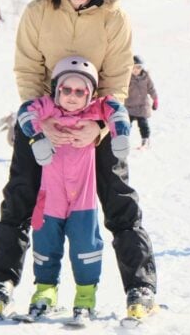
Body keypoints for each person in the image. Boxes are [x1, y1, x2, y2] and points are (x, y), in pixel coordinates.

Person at [0, 0, 158, 321]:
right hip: (44, 117)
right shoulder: (38, 11)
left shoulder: (115, 17)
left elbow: (116, 79)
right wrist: (41, 122)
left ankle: (140, 286)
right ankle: (1, 281)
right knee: (20, 196)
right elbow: (28, 70)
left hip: (94, 119)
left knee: (119, 200)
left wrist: (97, 126)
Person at [17, 56, 131, 319]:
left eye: (80, 91)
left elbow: (117, 110)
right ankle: (45, 290)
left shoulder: (95, 111)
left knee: (85, 245)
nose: (71, 96)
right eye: (66, 90)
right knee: (45, 242)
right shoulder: (47, 108)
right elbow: (26, 111)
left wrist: (120, 133)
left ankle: (85, 293)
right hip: (51, 197)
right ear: (56, 90)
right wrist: (37, 137)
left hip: (83, 198)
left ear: (89, 94)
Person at [124, 55, 158, 149]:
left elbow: (151, 89)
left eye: (138, 67)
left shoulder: (146, 77)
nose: (135, 70)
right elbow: (122, 89)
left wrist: (155, 99)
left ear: (142, 67)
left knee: (143, 124)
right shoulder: (127, 78)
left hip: (142, 106)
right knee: (126, 124)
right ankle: (123, 141)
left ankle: (145, 140)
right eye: (133, 67)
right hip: (129, 106)